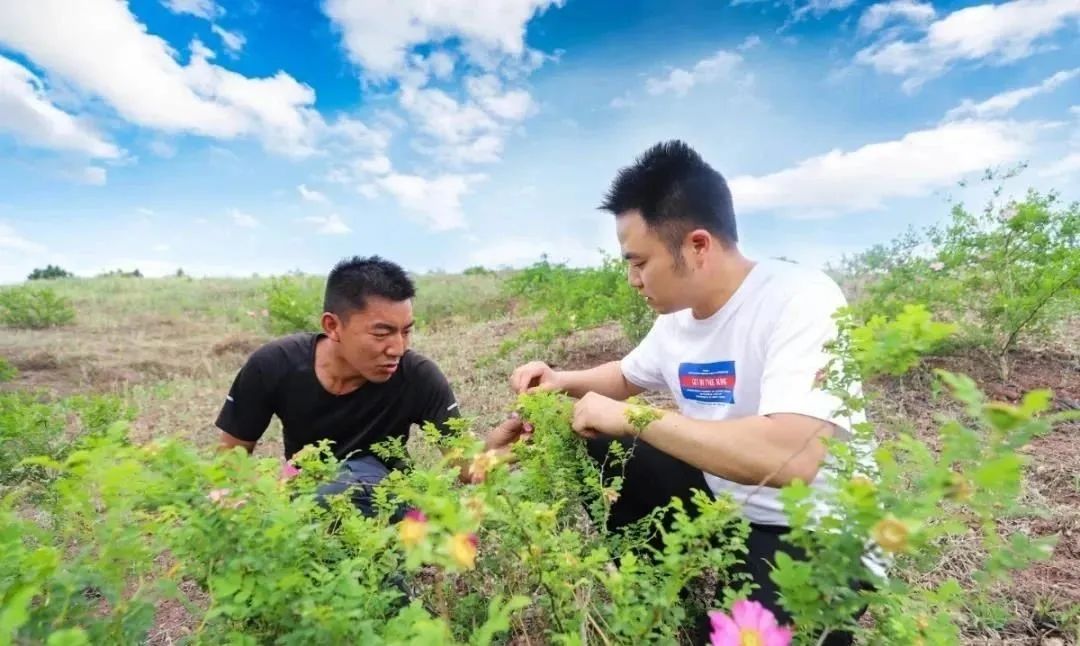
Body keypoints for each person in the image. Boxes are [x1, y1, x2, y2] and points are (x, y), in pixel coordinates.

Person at [501, 141, 870, 644]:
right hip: (721, 502)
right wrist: (562, 380)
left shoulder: (800, 298)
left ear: (698, 245)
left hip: (809, 526)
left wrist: (635, 419)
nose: (632, 279)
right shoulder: (678, 318)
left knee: (762, 634)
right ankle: (665, 593)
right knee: (603, 442)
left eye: (638, 262)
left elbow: (791, 459)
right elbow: (627, 376)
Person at [215, 255, 521, 516]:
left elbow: (465, 466)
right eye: (382, 333)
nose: (398, 348)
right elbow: (230, 464)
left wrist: (507, 445)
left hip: (388, 505)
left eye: (406, 332)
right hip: (303, 502)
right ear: (332, 326)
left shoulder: (418, 376)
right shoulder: (274, 365)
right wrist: (245, 507)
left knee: (359, 477)